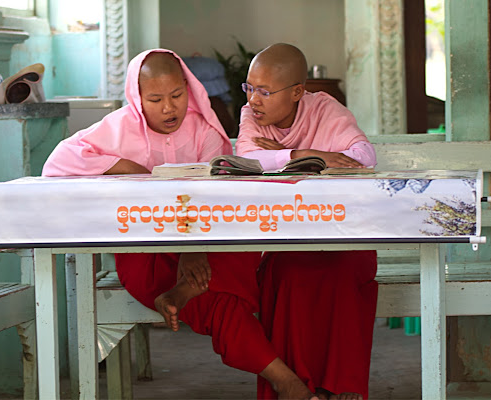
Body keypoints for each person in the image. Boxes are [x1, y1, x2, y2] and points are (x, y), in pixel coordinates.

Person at [43, 48, 320, 400]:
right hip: (145, 252)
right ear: (137, 97)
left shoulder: (203, 131)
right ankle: (286, 380)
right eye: (155, 99)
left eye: (177, 95)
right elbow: (57, 161)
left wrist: (194, 247)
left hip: (208, 249)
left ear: (188, 89)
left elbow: (219, 195)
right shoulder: (118, 129)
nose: (169, 108)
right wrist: (125, 166)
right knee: (218, 298)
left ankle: (279, 377)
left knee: (238, 256)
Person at [236, 43, 379, 400]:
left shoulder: (325, 111)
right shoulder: (251, 116)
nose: (254, 99)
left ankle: (340, 385)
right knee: (289, 275)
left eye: (265, 91)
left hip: (344, 237)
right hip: (287, 242)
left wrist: (280, 156)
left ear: (298, 92)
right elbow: (247, 158)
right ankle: (300, 387)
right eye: (249, 88)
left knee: (340, 272)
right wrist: (305, 154)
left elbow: (363, 156)